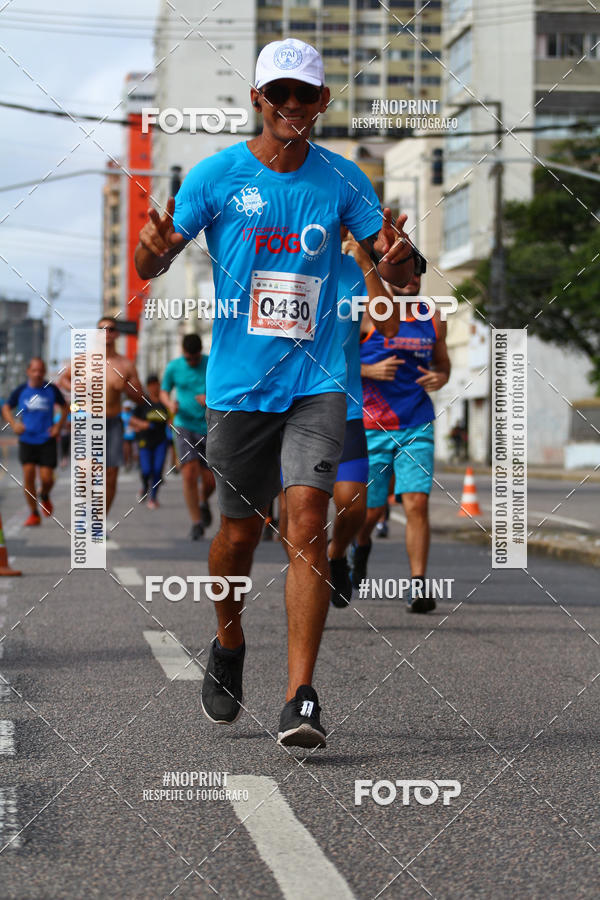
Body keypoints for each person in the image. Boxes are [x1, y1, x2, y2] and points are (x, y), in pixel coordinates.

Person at [135, 38, 420, 748]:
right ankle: (228, 640)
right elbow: (152, 259)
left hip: (320, 382)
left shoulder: (343, 178)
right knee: (236, 534)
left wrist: (397, 258)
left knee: (305, 530)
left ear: (323, 102)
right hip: (239, 387)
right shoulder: (218, 175)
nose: (293, 106)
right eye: (280, 94)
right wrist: (157, 245)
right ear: (258, 100)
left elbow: (404, 275)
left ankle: (301, 696)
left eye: (306, 95)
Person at [352, 275, 450, 613]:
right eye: (398, 270)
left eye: (413, 270)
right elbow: (335, 361)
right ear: (385, 275)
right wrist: (369, 370)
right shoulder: (366, 312)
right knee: (372, 511)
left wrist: (441, 376)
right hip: (372, 425)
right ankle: (360, 544)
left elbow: (443, 364)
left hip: (417, 422)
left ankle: (418, 585)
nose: (408, 279)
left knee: (416, 503)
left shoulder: (432, 316)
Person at [328, 228, 398, 607]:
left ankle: (337, 553)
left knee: (354, 504)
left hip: (345, 407)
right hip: (289, 409)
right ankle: (307, 585)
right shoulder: (282, 266)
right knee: (298, 514)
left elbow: (387, 327)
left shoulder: (353, 272)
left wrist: (366, 262)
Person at [60, 317, 144, 518]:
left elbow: (140, 396)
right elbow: (64, 378)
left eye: (111, 329)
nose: (106, 333)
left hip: (113, 423)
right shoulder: (83, 359)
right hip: (88, 420)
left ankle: (99, 520)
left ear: (116, 333)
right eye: (102, 329)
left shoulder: (125, 364)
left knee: (110, 476)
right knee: (87, 472)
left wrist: (123, 387)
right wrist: (73, 387)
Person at [159, 334, 215, 539]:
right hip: (184, 425)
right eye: (188, 358)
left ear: (200, 352)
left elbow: (225, 388)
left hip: (209, 425)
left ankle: (203, 500)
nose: (191, 362)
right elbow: (164, 391)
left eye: (194, 358)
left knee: (211, 480)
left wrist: (211, 399)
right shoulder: (174, 367)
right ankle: (196, 522)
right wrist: (169, 404)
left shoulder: (211, 363)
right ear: (183, 353)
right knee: (189, 472)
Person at [2, 358, 67, 525]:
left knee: (47, 479)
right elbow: (6, 407)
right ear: (28, 372)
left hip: (47, 439)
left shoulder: (51, 389)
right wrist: (14, 423)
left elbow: (65, 407)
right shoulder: (21, 390)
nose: (37, 374)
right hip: (27, 439)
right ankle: (34, 513)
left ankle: (44, 495)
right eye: (34, 370)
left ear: (44, 372)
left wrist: (58, 427)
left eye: (40, 370)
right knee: (29, 475)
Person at [130, 375, 170, 509]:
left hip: (161, 441)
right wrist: (142, 424)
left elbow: (170, 418)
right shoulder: (143, 403)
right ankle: (144, 486)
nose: (154, 387)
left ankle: (153, 498)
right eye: (151, 384)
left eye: (156, 384)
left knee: (157, 470)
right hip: (145, 441)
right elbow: (131, 419)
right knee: (146, 470)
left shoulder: (164, 402)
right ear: (148, 386)